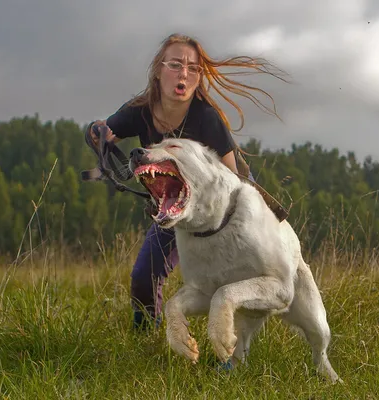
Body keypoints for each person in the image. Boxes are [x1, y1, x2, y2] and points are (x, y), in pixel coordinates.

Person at [88, 33, 284, 329]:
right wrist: (98, 133)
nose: (184, 74)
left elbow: (234, 183)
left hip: (226, 205)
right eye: (176, 64)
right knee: (143, 274)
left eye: (193, 68)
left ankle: (232, 350)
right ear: (158, 70)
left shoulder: (207, 118)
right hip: (175, 205)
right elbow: (106, 129)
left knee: (232, 278)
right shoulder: (138, 112)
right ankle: (146, 336)